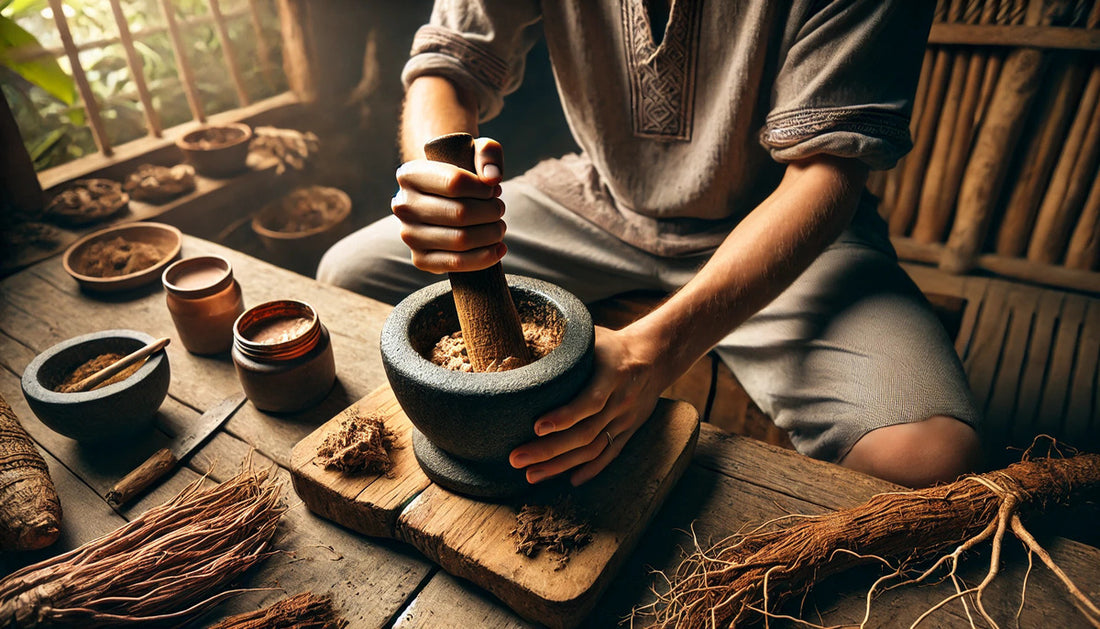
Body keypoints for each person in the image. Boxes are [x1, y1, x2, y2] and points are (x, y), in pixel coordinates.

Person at [318, 0, 983, 489]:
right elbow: (449, 67)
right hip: (597, 199)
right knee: (346, 272)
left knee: (928, 455)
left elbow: (828, 170)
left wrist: (653, 351)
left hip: (781, 216)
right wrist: (439, 183)